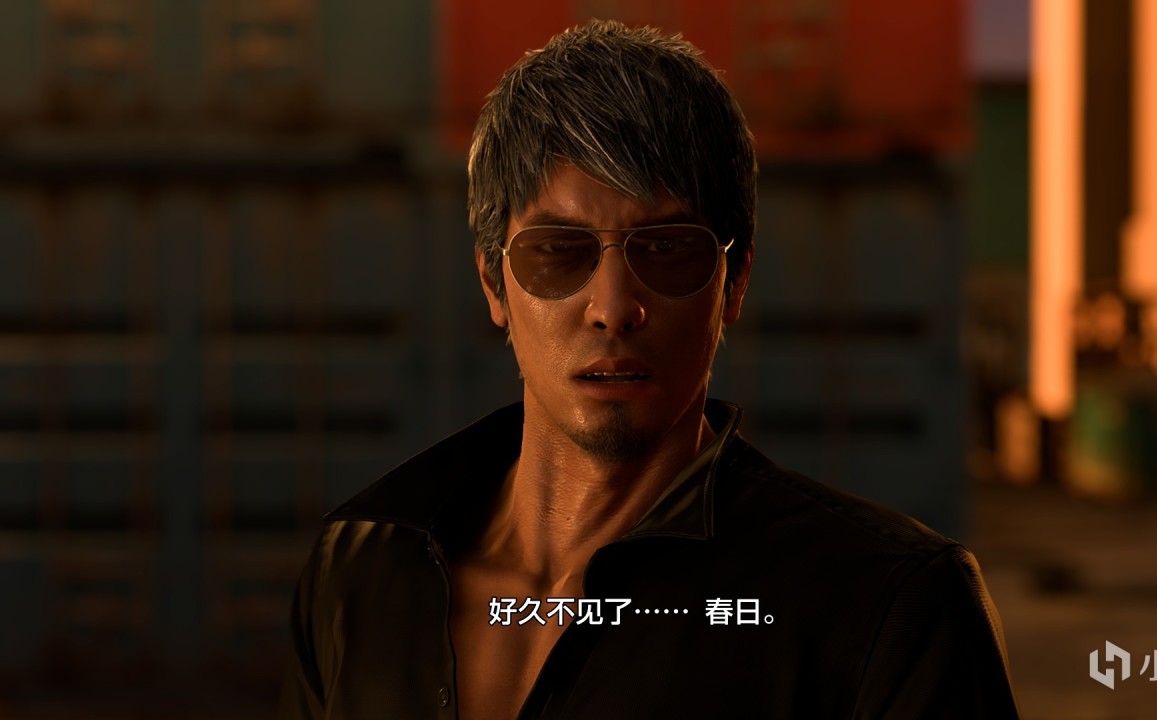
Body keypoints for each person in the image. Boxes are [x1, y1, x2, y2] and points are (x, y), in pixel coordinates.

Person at [279, 19, 1019, 720]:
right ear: (493, 285)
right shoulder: (356, 571)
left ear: (734, 283)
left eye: (667, 250)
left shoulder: (891, 608)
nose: (613, 308)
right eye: (558, 252)